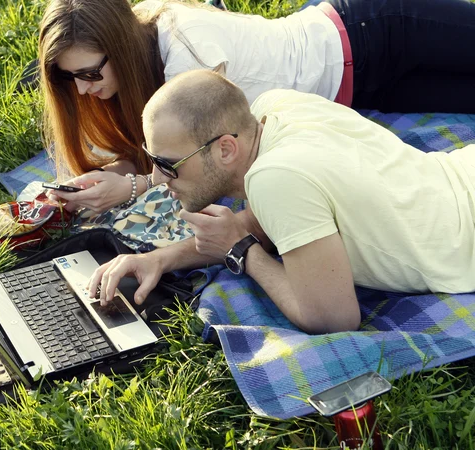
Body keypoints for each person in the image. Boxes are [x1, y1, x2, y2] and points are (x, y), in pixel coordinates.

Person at [88, 69, 475, 334]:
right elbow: (258, 224)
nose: (156, 179)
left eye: (168, 164)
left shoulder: (276, 180)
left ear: (226, 149)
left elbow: (334, 317)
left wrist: (244, 254)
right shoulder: (275, 108)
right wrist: (159, 258)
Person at [39, 0, 475, 213]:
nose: (82, 91)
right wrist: (111, 175)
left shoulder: (186, 51)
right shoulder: (134, 68)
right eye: (69, 77)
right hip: (361, 90)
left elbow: (202, 163)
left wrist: (132, 187)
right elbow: (161, 159)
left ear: (120, 46)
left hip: (374, 31)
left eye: (91, 73)